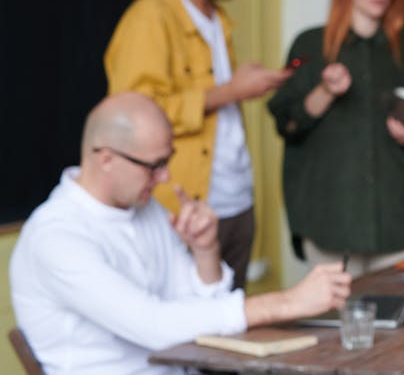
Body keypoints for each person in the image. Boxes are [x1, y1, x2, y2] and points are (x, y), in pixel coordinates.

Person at [9, 93, 351, 375]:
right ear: (107, 159)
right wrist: (287, 303)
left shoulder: (146, 209)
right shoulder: (57, 238)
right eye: (154, 165)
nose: (165, 177)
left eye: (167, 161)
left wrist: (206, 252)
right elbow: (155, 326)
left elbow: (200, 312)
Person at [104, 0, 290, 289]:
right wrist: (231, 90)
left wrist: (239, 85)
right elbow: (132, 120)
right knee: (187, 319)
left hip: (236, 200)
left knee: (230, 317)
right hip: (183, 209)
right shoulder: (150, 18)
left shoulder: (218, 18)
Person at [268, 0, 404, 277]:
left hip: (398, 219)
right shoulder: (310, 45)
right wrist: (325, 91)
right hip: (331, 222)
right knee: (340, 313)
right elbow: (287, 124)